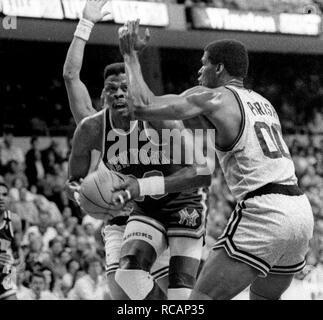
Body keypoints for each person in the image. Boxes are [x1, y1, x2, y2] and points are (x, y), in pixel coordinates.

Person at [118, 20, 314, 300]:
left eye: (204, 63)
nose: (199, 70)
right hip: (300, 211)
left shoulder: (213, 97)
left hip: (267, 210)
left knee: (198, 302)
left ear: (219, 67)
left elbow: (141, 106)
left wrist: (130, 55)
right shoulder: (264, 103)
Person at [65, 0, 211, 300]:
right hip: (129, 216)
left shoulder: (157, 118)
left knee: (183, 297)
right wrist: (85, 24)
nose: (119, 94)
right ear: (103, 96)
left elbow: (200, 172)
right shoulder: (93, 127)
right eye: (111, 90)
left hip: (178, 204)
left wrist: (131, 57)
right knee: (124, 289)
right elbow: (70, 77)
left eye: (125, 88)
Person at [0, 182, 23, 300]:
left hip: (4, 275)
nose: (1, 198)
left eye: (4, 194)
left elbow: (17, 249)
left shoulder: (14, 221)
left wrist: (20, 262)